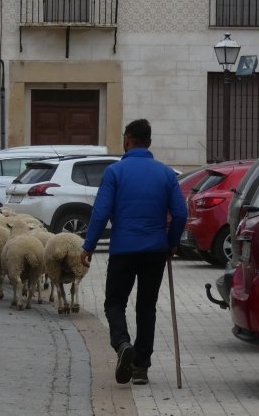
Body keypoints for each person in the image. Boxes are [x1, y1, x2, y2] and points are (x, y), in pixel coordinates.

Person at [81, 118, 187, 386]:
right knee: (146, 306)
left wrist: (89, 245)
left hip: (123, 248)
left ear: (127, 139)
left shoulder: (115, 172)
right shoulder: (165, 174)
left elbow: (101, 212)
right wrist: (172, 241)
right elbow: (180, 212)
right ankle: (141, 367)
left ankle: (122, 343)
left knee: (114, 302)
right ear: (149, 142)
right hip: (155, 250)